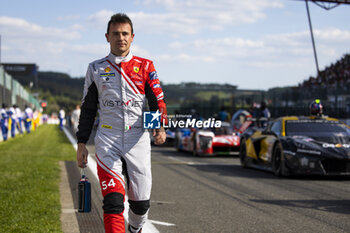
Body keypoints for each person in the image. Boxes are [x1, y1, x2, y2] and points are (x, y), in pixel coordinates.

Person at [76, 13, 167, 233]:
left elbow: (156, 100)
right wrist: (81, 143)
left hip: (138, 139)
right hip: (108, 139)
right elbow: (88, 109)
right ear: (107, 37)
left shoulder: (145, 66)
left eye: (125, 34)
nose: (121, 38)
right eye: (115, 34)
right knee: (113, 202)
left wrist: (159, 126)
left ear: (132, 37)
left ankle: (135, 229)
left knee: (140, 205)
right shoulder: (95, 68)